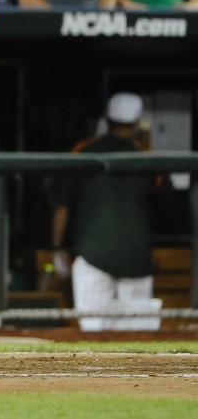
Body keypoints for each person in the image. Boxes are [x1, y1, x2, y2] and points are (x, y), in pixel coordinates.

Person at [52, 92, 164, 331]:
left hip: (93, 256)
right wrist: (147, 147)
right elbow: (165, 199)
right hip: (134, 256)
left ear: (107, 119)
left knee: (93, 332)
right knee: (137, 337)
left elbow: (62, 206)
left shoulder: (84, 151)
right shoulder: (145, 156)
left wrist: (58, 247)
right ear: (137, 122)